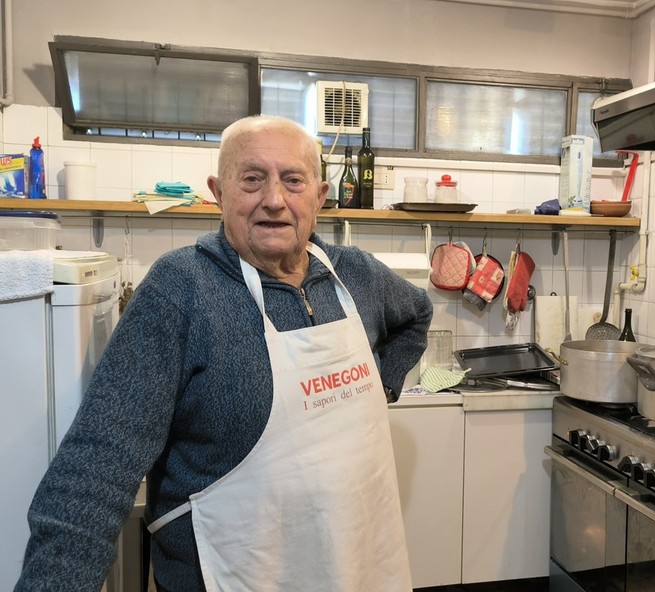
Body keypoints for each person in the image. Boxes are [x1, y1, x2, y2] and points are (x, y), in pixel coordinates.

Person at [15, 115, 432, 591]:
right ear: (219, 191)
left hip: (356, 565)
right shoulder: (181, 290)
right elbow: (96, 466)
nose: (274, 200)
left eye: (293, 180)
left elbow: (417, 313)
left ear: (319, 197)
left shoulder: (357, 275)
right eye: (252, 179)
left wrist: (383, 385)